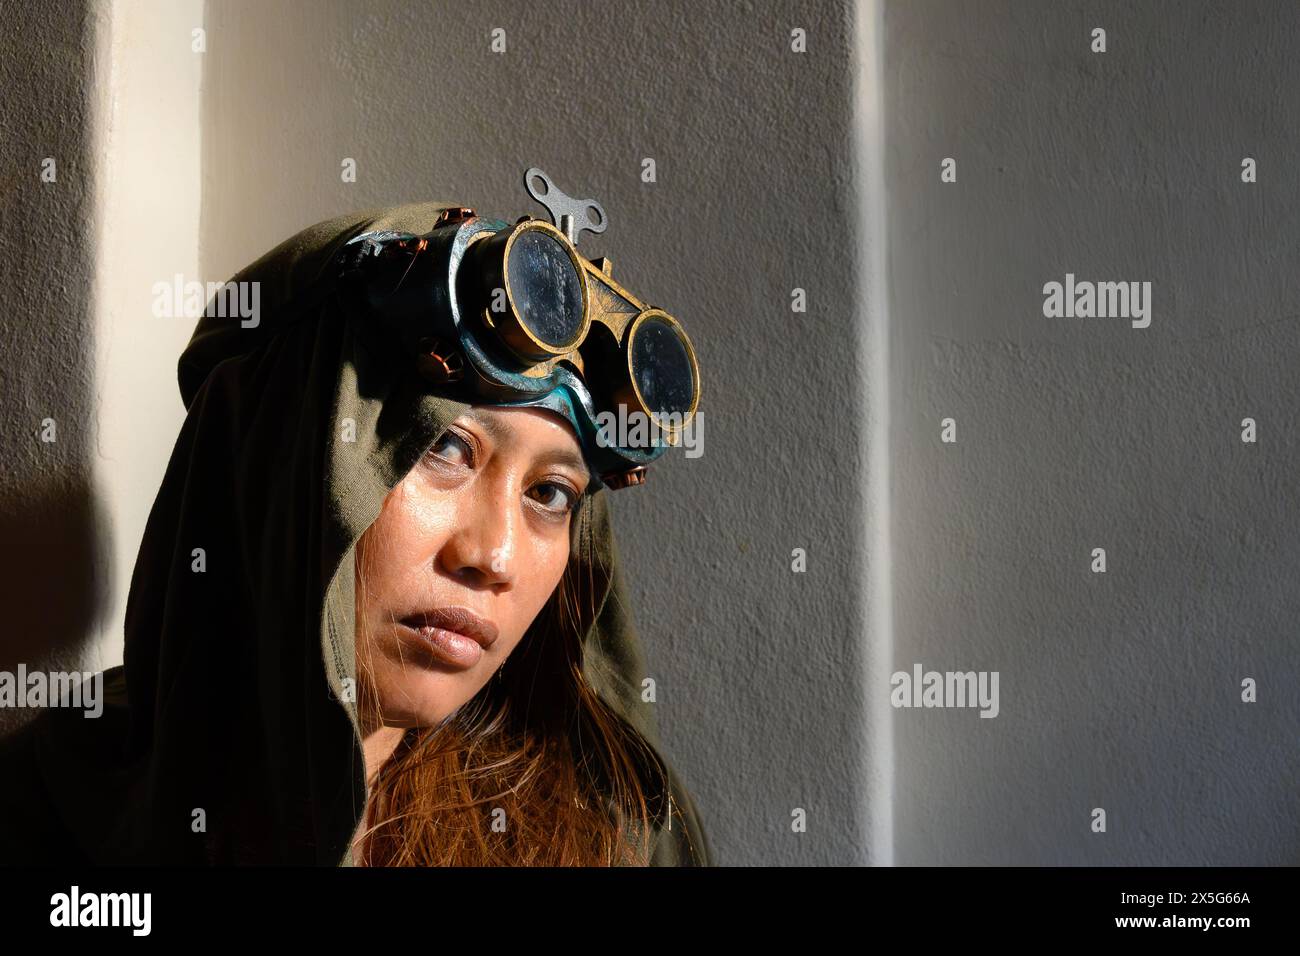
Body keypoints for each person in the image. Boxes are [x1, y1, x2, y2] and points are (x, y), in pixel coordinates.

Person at [0, 185, 712, 866]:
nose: (493, 556)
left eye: (551, 494)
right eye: (444, 449)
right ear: (275, 459)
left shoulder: (610, 833)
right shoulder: (37, 812)